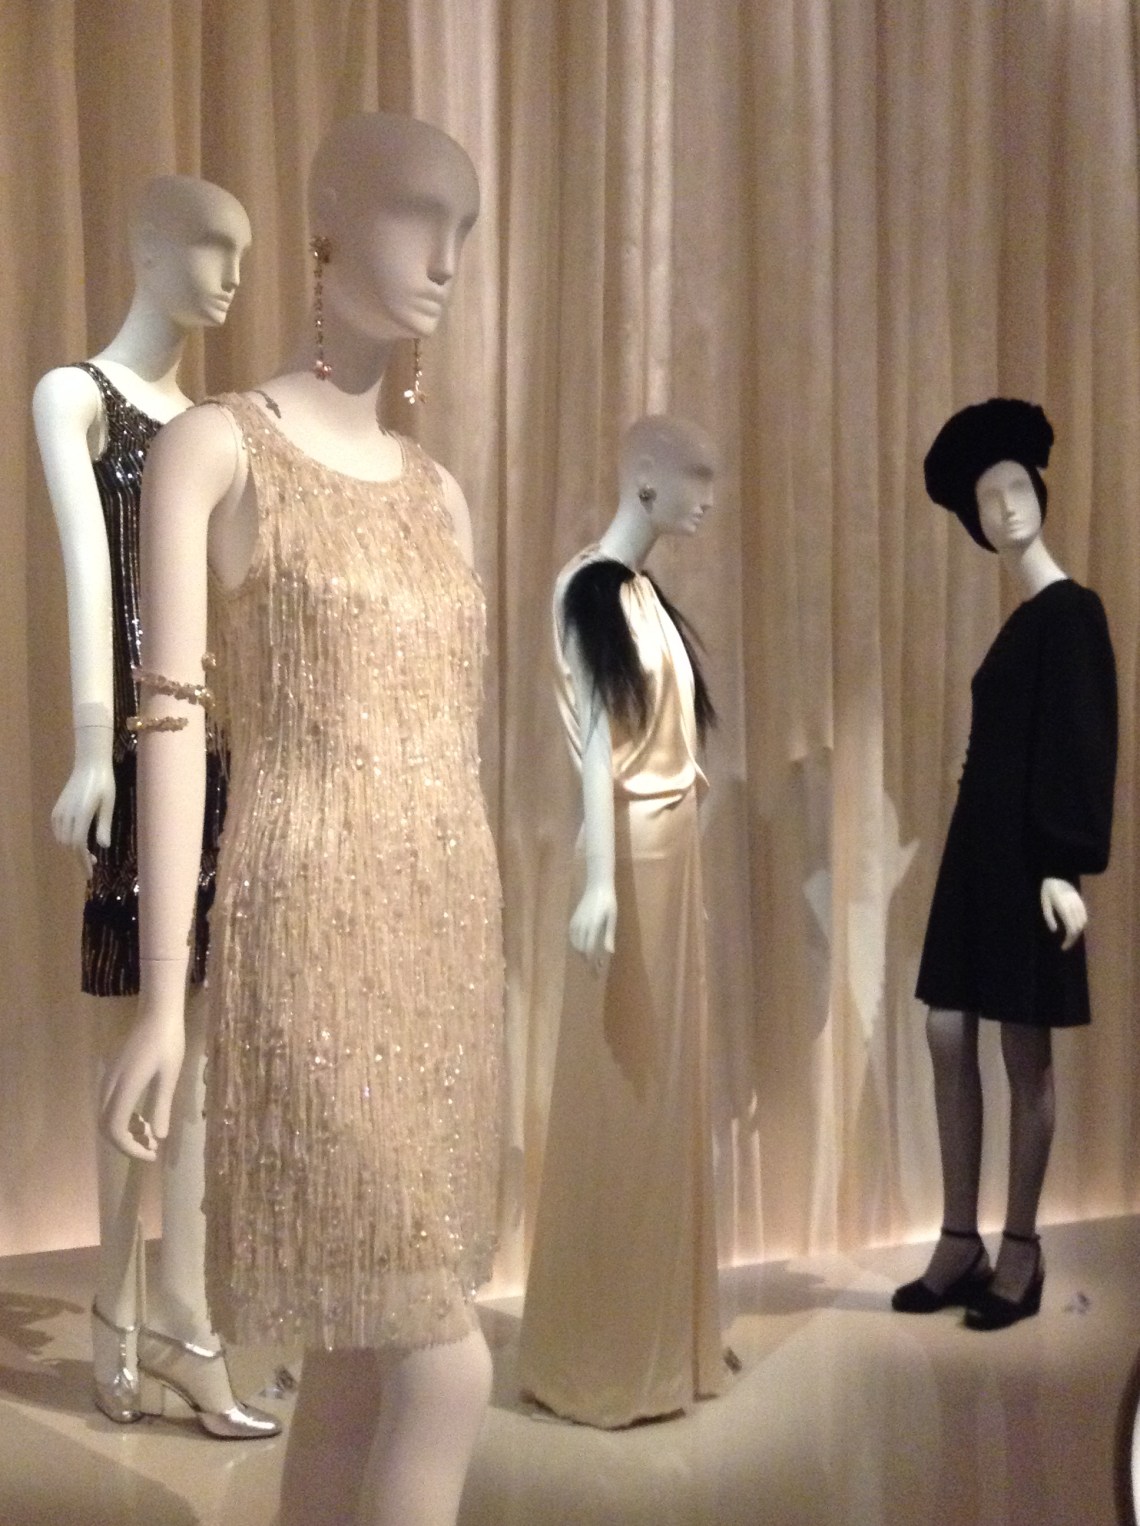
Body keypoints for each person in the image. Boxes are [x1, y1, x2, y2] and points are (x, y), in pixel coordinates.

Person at [98, 114, 502, 1526]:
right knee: (444, 1363)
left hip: (446, 943)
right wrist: (164, 997)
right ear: (327, 222)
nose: (442, 258)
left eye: (463, 229)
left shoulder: (443, 496)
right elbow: (169, 721)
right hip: (310, 925)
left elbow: (450, 740)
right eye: (413, 214)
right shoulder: (216, 449)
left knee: (352, 1358)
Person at [32, 176, 276, 1436]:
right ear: (143, 244)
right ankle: (119, 1309)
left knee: (203, 1044)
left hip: (217, 751)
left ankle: (178, 1313)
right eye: (209, 244)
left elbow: (236, 599)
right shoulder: (77, 395)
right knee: (131, 1035)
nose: (231, 272)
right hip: (135, 753)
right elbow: (92, 571)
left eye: (244, 250)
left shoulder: (218, 426)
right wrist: (95, 745)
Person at [517, 414, 726, 1426]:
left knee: (669, 1095)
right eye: (695, 476)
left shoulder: (646, 596)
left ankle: (665, 1338)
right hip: (631, 864)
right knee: (624, 1096)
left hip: (675, 862)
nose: (707, 498)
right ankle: (598, 1349)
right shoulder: (585, 589)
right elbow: (593, 740)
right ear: (645, 476)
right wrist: (598, 876)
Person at [894, 398, 1117, 1330]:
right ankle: (961, 1239)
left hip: (1030, 856)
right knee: (948, 1030)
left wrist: (1065, 864)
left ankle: (1020, 1249)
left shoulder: (1072, 612)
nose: (1005, 507)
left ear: (1040, 493)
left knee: (1023, 1045)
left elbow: (1085, 739)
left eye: (1015, 487)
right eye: (987, 500)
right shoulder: (1023, 621)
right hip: (976, 852)